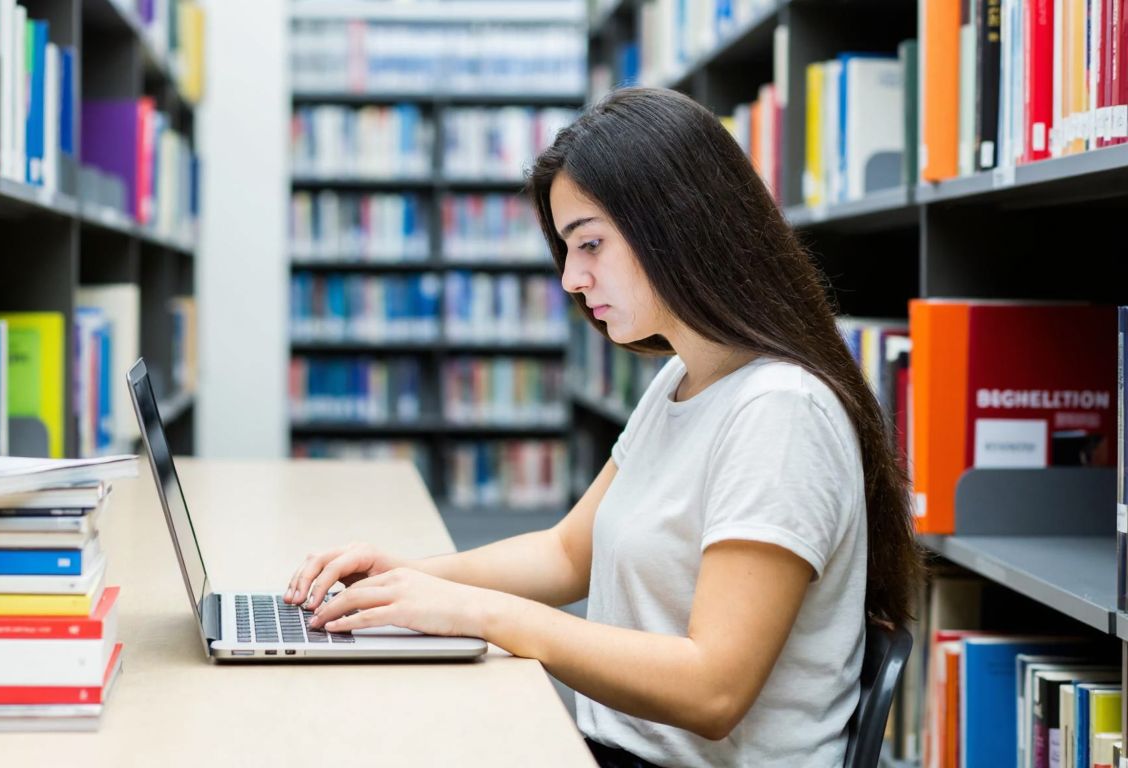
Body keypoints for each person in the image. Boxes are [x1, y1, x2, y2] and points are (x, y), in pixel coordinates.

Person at [283, 87, 923, 768]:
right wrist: (407, 578)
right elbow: (568, 554)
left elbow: (713, 691)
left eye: (589, 243)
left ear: (678, 225)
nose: (570, 279)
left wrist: (482, 616)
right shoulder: (683, 380)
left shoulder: (781, 412)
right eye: (567, 249)